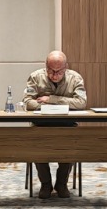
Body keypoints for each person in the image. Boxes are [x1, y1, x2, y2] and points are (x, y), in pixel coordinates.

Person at [23, 50, 87, 198]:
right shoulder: (35, 77)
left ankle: (61, 184)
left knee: (70, 147)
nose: (55, 75)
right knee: (37, 148)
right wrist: (61, 105)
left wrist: (51, 99)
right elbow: (27, 102)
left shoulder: (75, 78)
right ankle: (46, 184)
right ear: (46, 66)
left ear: (66, 67)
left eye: (59, 71)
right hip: (41, 124)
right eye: (51, 71)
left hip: (67, 124)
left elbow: (81, 103)